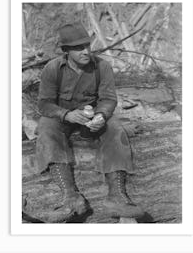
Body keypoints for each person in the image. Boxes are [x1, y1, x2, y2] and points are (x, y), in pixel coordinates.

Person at [36, 22, 144, 221]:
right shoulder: (53, 68)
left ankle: (117, 197)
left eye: (87, 45)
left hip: (92, 117)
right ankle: (70, 197)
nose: (86, 51)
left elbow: (109, 99)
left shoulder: (102, 66)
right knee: (45, 126)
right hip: (63, 118)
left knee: (115, 127)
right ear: (66, 51)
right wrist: (66, 115)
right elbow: (44, 104)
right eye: (78, 48)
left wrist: (101, 115)